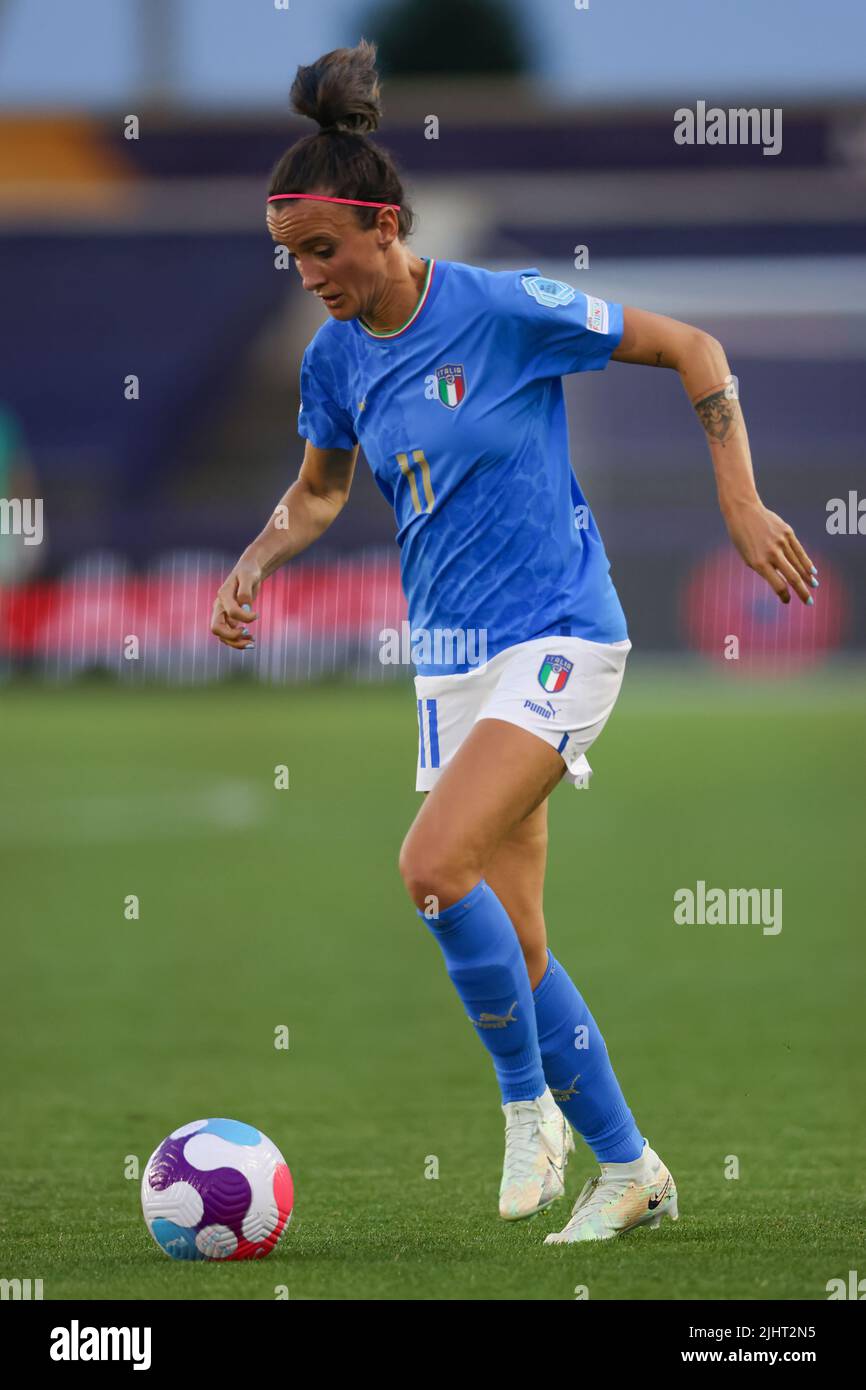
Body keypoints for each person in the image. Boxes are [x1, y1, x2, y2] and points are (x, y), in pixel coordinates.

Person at [211, 41, 816, 1243]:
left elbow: (691, 348)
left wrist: (738, 502)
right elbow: (321, 492)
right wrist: (255, 557)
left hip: (560, 637)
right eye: (292, 258)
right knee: (516, 932)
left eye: (324, 249)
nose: (311, 276)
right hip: (448, 664)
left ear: (385, 227)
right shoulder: (336, 361)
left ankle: (521, 1102)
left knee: (430, 869)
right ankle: (630, 1164)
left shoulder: (502, 310)